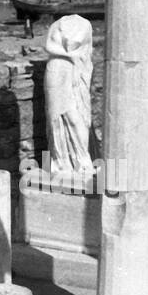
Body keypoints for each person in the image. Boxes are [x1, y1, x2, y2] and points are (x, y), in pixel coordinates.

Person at [43, 15, 99, 184]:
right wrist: (69, 56)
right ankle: (59, 161)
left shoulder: (84, 25)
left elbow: (86, 52)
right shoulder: (57, 25)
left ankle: (82, 160)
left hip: (75, 72)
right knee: (55, 118)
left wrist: (75, 61)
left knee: (77, 117)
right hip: (56, 70)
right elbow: (48, 46)